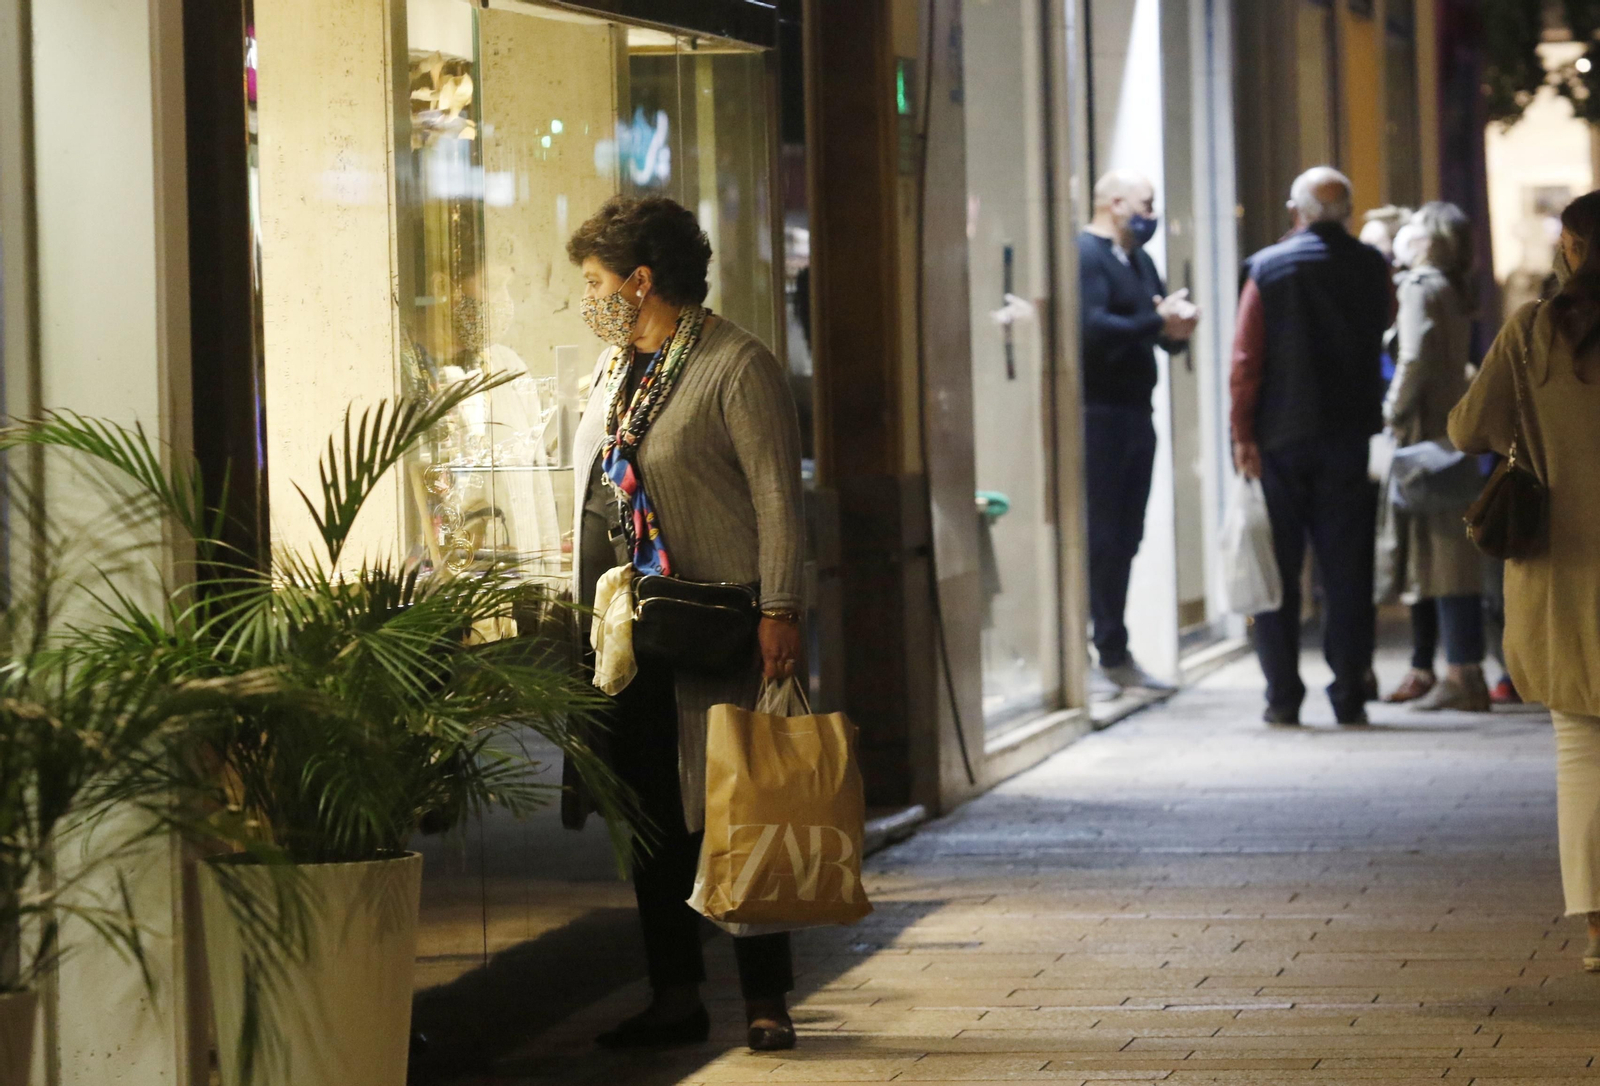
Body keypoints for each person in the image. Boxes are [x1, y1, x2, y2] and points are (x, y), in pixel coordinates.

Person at [566, 196, 807, 1050]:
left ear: (641, 281)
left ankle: (767, 998)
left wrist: (781, 607)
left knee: (737, 803)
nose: (588, 299)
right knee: (651, 814)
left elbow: (780, 497)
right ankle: (676, 993)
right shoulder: (616, 370)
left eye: (596, 283)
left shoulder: (736, 366)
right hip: (634, 631)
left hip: (719, 620)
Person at [1449, 189, 1600, 969]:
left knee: (1580, 746)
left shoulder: (1533, 333)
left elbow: (1468, 427)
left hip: (1564, 572)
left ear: (1572, 249)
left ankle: (1598, 926)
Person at [1230, 167, 1392, 726]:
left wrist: (1242, 433)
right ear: (1346, 213)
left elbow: (1246, 361)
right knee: (1347, 572)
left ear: (1294, 210)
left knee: (1278, 571)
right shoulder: (1373, 266)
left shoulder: (1268, 269)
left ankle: (1282, 695)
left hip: (1281, 437)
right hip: (1347, 435)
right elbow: (1384, 324)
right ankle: (1349, 691)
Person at [1078, 170, 1199, 691]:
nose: (1150, 213)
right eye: (1145, 203)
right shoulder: (1088, 255)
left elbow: (1156, 323)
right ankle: (1100, 647)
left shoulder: (1139, 258)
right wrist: (1158, 322)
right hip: (1099, 414)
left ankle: (1114, 646)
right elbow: (1093, 327)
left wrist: (1176, 329)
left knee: (1127, 535)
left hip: (1135, 412)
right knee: (1103, 535)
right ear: (1115, 202)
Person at [1375, 202, 1491, 712]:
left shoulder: (1421, 287)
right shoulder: (1454, 288)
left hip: (1425, 434)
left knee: (1441, 555)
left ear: (1432, 240)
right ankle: (1463, 671)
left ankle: (1462, 673)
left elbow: (1414, 356)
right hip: (1452, 431)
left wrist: (1390, 408)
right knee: (1450, 553)